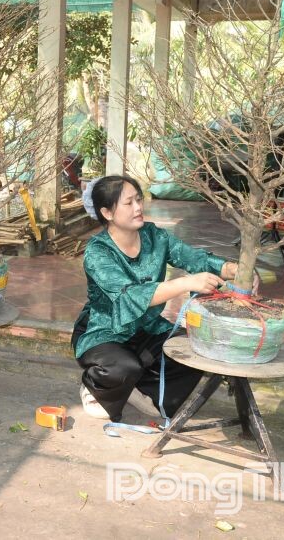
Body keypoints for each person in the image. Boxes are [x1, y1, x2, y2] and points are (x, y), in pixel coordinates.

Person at [71, 175, 245, 422]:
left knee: (194, 348)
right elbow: (129, 295)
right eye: (128, 203)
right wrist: (184, 283)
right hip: (105, 332)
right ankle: (95, 386)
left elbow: (192, 257)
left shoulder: (154, 236)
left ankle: (144, 391)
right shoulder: (98, 251)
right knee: (124, 367)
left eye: (138, 200)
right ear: (107, 213)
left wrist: (232, 269)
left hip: (148, 327)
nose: (138, 207)